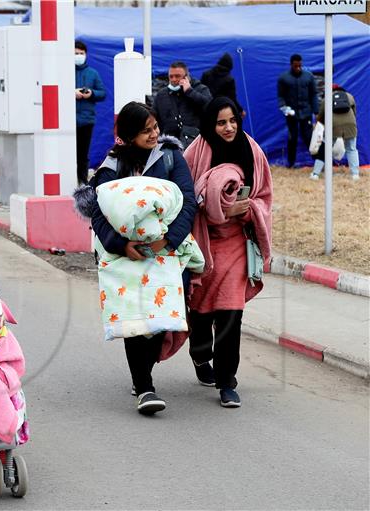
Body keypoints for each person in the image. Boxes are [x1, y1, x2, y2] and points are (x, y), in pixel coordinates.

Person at [78, 101, 197, 415]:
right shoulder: (112, 166)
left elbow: (187, 204)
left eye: (155, 128)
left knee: (160, 321)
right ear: (129, 135)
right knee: (136, 320)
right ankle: (144, 387)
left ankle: (144, 370)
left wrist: (168, 240)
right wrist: (119, 244)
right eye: (146, 131)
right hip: (126, 257)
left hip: (166, 253)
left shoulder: (171, 158)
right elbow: (97, 210)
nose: (154, 135)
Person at [183, 97, 273, 408]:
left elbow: (264, 196)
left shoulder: (252, 151)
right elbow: (183, 195)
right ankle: (199, 355)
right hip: (203, 245)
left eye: (232, 120)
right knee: (201, 311)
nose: (228, 127)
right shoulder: (196, 151)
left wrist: (246, 212)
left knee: (230, 314)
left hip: (235, 244)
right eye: (221, 122)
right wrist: (218, 207)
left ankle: (226, 382)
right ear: (211, 124)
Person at [153, 61, 213, 149]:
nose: (173, 80)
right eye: (171, 76)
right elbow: (154, 116)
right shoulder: (161, 94)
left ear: (187, 77)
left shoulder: (200, 89)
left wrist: (190, 91)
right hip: (169, 143)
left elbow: (210, 107)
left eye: (177, 76)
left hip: (195, 142)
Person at [310, 84, 359, 181]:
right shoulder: (349, 96)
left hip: (333, 125)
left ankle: (315, 174)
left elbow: (321, 116)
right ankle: (355, 175)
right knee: (351, 149)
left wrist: (318, 124)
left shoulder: (326, 99)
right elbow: (354, 111)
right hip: (350, 125)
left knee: (324, 149)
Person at [277, 54, 318, 167]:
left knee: (309, 137)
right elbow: (281, 96)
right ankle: (291, 163)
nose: (298, 68)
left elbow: (313, 94)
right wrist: (284, 107)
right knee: (292, 138)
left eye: (300, 65)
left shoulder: (308, 76)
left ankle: (318, 162)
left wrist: (316, 111)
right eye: (296, 66)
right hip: (291, 114)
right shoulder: (284, 78)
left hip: (306, 112)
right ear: (291, 65)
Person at [74, 40, 106, 184]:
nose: (79, 56)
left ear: (86, 54)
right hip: (68, 121)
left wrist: (91, 93)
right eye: (75, 53)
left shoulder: (92, 73)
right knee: (69, 153)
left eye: (81, 53)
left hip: (86, 119)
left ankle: (82, 181)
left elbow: (102, 93)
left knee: (83, 153)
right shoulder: (64, 72)